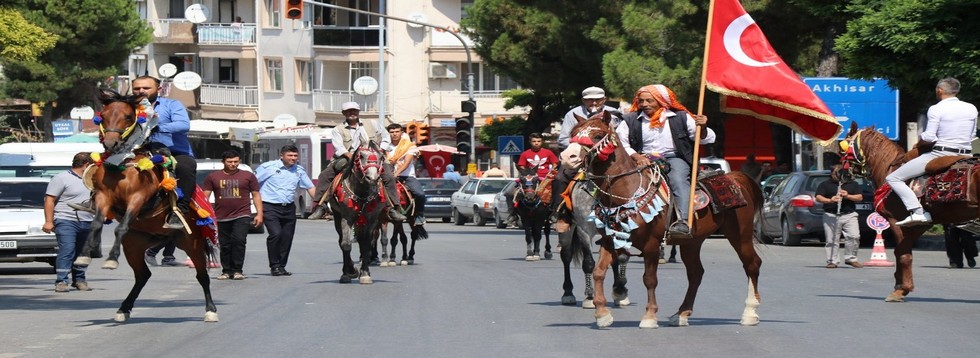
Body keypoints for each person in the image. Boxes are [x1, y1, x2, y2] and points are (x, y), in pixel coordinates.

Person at [73, 76, 197, 230]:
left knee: (186, 166)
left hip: (171, 150)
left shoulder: (172, 104)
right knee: (103, 165)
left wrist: (156, 127)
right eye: (137, 88)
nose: (141, 91)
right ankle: (94, 201)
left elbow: (183, 125)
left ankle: (179, 211)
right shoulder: (126, 107)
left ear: (158, 89)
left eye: (146, 88)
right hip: (136, 150)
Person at [616, 84, 714, 238]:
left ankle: (683, 221)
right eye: (641, 101)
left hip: (673, 158)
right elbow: (622, 144)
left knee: (678, 180)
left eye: (650, 101)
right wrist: (638, 157)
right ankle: (614, 220)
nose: (645, 104)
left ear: (660, 101)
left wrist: (703, 127)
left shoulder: (681, 117)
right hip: (640, 159)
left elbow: (703, 139)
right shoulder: (629, 120)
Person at [887, 78, 978, 226]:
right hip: (966, 154)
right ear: (957, 91)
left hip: (942, 154)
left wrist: (920, 142)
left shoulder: (936, 108)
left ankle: (917, 212)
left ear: (939, 90)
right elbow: (972, 134)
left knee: (893, 178)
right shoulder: (971, 108)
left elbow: (929, 137)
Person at [313, 101, 407, 222]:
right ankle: (321, 205)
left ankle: (393, 208)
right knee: (325, 175)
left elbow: (385, 137)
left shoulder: (372, 124)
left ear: (358, 112)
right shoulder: (338, 129)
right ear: (344, 113)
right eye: (348, 111)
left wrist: (381, 149)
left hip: (374, 157)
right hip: (348, 157)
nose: (352, 113)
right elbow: (339, 147)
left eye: (354, 110)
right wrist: (351, 156)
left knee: (389, 176)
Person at [552, 87, 620, 229]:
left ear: (604, 100)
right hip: (580, 157)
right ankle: (561, 214)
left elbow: (623, 137)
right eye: (590, 100)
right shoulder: (573, 114)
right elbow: (563, 139)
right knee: (560, 178)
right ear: (583, 100)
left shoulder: (614, 114)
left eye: (598, 99)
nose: (594, 102)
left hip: (609, 157)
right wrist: (582, 146)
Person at [202, 150, 263, 280]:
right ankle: (226, 271)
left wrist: (259, 214)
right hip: (221, 216)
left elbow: (256, 195)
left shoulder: (248, 176)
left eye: (236, 162)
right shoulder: (213, 177)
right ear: (223, 162)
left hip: (242, 214)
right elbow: (205, 196)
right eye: (230, 162)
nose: (233, 164)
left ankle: (237, 270)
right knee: (225, 244)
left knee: (239, 241)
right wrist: (202, 213)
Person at [256, 145, 315, 277]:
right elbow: (253, 184)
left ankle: (281, 266)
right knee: (276, 234)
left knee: (287, 237)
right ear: (281, 156)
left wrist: (321, 204)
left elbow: (310, 187)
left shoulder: (299, 170)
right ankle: (274, 265)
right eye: (290, 155)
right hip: (269, 206)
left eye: (295, 156)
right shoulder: (268, 168)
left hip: (288, 208)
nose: (293, 158)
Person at [43, 152, 95, 293]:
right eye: (92, 165)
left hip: (87, 220)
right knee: (67, 250)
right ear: (86, 165)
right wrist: (48, 221)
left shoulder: (92, 179)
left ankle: (79, 280)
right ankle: (62, 281)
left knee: (83, 253)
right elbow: (49, 200)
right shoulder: (61, 178)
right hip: (66, 220)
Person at [815, 166, 863, 268]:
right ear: (832, 174)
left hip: (849, 214)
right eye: (836, 173)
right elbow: (818, 197)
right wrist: (830, 200)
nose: (839, 175)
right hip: (831, 214)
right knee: (831, 239)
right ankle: (832, 260)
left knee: (854, 236)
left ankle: (851, 258)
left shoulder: (852, 184)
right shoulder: (825, 184)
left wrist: (847, 196)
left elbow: (859, 197)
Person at [387, 124, 427, 225]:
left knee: (420, 194)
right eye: (392, 132)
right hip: (388, 176)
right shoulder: (385, 146)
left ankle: (419, 214)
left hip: (407, 176)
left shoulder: (409, 146)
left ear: (402, 133)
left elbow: (407, 163)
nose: (394, 134)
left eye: (397, 131)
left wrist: (396, 173)